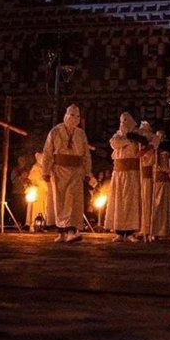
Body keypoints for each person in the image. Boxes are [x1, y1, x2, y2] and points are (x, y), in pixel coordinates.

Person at [42, 104, 95, 244]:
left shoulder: (80, 134)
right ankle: (62, 232)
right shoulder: (55, 132)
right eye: (72, 115)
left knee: (73, 199)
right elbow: (48, 152)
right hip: (59, 170)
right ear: (66, 115)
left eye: (77, 116)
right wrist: (45, 171)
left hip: (76, 171)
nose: (74, 119)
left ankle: (72, 231)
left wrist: (88, 172)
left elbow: (86, 155)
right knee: (59, 201)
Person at [105, 112, 143, 242]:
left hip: (132, 173)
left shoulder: (137, 135)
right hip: (119, 174)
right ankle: (119, 232)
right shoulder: (118, 135)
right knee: (119, 201)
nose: (124, 124)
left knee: (131, 202)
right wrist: (128, 139)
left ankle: (131, 231)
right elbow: (114, 143)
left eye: (126, 121)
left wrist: (134, 138)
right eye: (122, 121)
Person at [137, 121, 161, 240]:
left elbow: (155, 141)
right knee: (141, 202)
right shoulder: (137, 142)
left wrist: (146, 149)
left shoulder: (153, 139)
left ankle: (150, 228)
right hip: (139, 175)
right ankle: (141, 227)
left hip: (149, 176)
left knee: (149, 201)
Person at [25, 152, 55, 230]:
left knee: (45, 209)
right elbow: (33, 180)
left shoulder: (47, 168)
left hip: (45, 194)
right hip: (38, 193)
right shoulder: (35, 168)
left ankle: (43, 225)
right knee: (36, 209)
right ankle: (33, 225)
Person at [150, 149, 170, 241]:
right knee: (156, 206)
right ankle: (155, 232)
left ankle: (164, 232)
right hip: (157, 184)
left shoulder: (165, 154)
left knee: (164, 207)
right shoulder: (155, 154)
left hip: (164, 184)